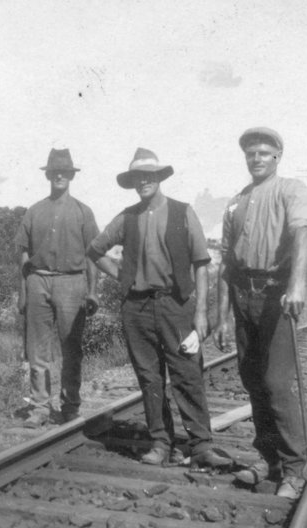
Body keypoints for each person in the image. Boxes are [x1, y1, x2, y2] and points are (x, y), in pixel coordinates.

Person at [88, 148, 231, 468]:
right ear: (132, 183)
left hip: (176, 306)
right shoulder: (127, 216)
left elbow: (201, 264)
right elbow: (95, 249)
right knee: (149, 378)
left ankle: (200, 444)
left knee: (187, 374)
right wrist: (123, 278)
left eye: (148, 176)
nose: (143, 182)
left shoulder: (183, 213)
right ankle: (161, 442)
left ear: (158, 178)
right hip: (136, 309)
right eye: (137, 178)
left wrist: (200, 313)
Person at [213, 127, 307, 499]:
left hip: (277, 296)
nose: (256, 159)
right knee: (253, 380)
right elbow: (226, 262)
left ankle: (295, 468)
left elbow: (303, 234)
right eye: (250, 154)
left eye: (263, 153)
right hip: (244, 297)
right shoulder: (237, 202)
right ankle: (268, 458)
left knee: (275, 384)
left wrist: (297, 285)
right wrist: (222, 315)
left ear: (277, 157)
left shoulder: (291, 191)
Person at [14, 148, 100, 427]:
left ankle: (70, 405)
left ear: (71, 176)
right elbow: (22, 253)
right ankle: (39, 405)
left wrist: (92, 290)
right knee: (37, 348)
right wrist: (25, 289)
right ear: (49, 175)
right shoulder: (34, 211)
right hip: (38, 279)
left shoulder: (83, 212)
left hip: (72, 281)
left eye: (65, 172)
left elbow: (93, 254)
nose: (60, 176)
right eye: (55, 172)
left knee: (71, 346)